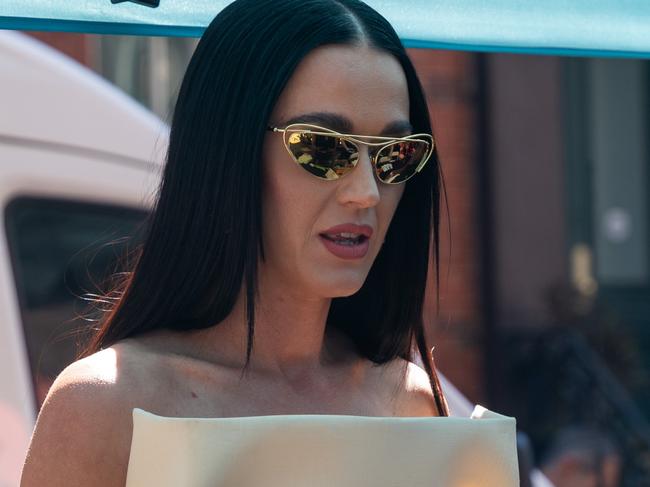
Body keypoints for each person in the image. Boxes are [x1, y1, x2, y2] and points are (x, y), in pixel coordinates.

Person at [21, 1, 517, 485]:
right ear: (229, 153)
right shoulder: (105, 407)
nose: (367, 191)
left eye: (395, 155)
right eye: (323, 147)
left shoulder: (411, 405)